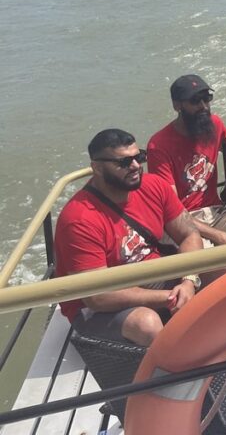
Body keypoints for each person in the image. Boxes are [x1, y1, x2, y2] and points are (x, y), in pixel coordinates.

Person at [55, 129, 204, 346]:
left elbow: (189, 233)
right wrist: (171, 297)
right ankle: (183, 372)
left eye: (139, 157)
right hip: (99, 302)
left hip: (152, 275)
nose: (135, 166)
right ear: (97, 167)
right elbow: (98, 297)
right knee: (146, 323)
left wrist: (189, 280)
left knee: (225, 269)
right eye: (124, 162)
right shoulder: (79, 219)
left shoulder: (153, 185)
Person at [148, 74, 226, 245]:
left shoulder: (214, 124)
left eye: (207, 99)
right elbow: (171, 209)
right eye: (195, 101)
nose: (203, 106)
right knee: (212, 257)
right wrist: (219, 235)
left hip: (215, 211)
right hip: (183, 219)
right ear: (177, 105)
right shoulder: (159, 145)